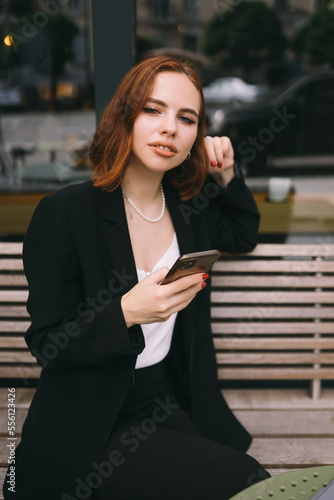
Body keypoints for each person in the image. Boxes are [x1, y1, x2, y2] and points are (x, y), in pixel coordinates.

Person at [3, 56, 269, 500]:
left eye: (186, 119)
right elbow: (48, 344)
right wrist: (125, 312)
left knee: (251, 481)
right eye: (153, 109)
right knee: (240, 484)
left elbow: (244, 233)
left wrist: (225, 175)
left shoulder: (190, 208)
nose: (170, 127)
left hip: (162, 399)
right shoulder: (65, 214)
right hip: (88, 418)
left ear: (194, 139)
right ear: (124, 115)